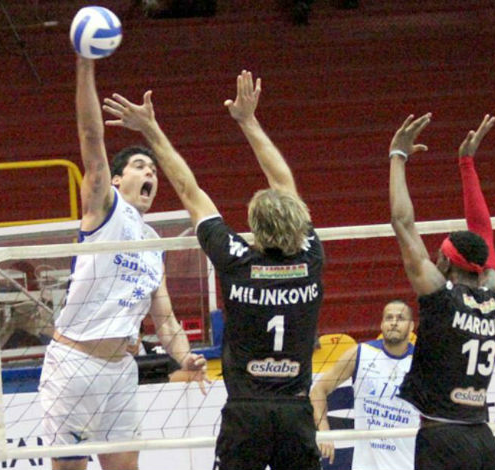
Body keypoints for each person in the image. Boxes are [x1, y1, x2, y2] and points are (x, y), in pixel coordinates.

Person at [103, 70, 324, 470]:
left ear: (254, 228)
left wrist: (151, 128)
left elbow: (189, 190)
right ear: (297, 221)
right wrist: (249, 121)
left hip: (246, 413)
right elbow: (284, 183)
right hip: (295, 411)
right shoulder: (309, 259)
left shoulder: (237, 260)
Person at [38, 55, 207, 470]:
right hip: (74, 365)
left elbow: (165, 321)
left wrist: (185, 356)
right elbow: (90, 137)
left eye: (154, 170)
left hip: (120, 371)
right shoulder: (105, 207)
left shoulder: (153, 244)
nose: (151, 174)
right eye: (139, 166)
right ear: (116, 179)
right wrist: (84, 66)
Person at [388, 113, 495, 470]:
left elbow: (402, 223)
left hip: (442, 439)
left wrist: (398, 156)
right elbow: (483, 232)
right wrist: (466, 164)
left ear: (445, 262)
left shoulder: (440, 298)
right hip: (482, 440)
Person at [310, 300, 418, 470]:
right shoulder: (361, 353)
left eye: (400, 318)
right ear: (381, 324)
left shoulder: (423, 363)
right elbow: (318, 391)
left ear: (411, 326)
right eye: (389, 318)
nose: (394, 323)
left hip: (407, 463)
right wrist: (324, 431)